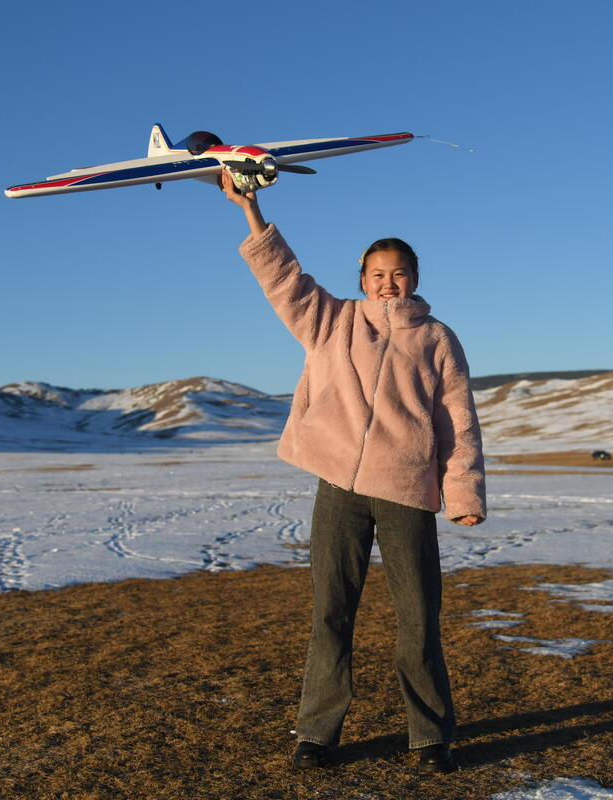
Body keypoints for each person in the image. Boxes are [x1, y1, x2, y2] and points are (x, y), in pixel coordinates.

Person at [220, 168, 486, 775]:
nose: (388, 284)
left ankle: (429, 736)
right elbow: (281, 277)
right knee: (331, 613)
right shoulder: (332, 321)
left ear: (414, 279)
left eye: (398, 274)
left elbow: (457, 421)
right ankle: (316, 735)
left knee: (419, 616)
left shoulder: (438, 339)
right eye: (376, 275)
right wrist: (250, 211)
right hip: (338, 488)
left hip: (407, 492)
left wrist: (462, 492)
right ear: (361, 281)